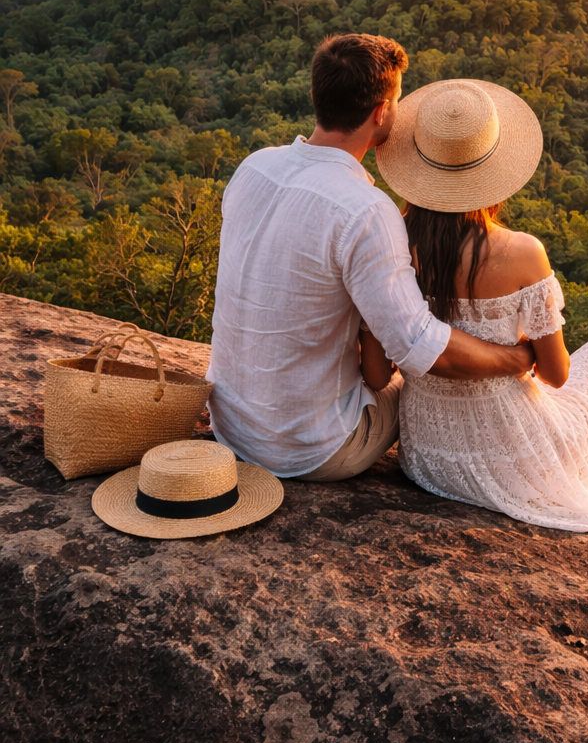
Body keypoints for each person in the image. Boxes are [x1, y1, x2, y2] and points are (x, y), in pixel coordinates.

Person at [371, 77, 588, 533]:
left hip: (429, 459)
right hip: (510, 457)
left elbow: (378, 367)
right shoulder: (522, 252)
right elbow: (555, 374)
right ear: (492, 170)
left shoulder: (390, 240)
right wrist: (521, 352)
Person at [207, 35, 536, 481]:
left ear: (316, 96)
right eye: (398, 101)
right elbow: (417, 344)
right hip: (310, 449)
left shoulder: (254, 167)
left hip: (232, 426)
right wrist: (515, 359)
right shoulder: (365, 209)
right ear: (382, 112)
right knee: (416, 389)